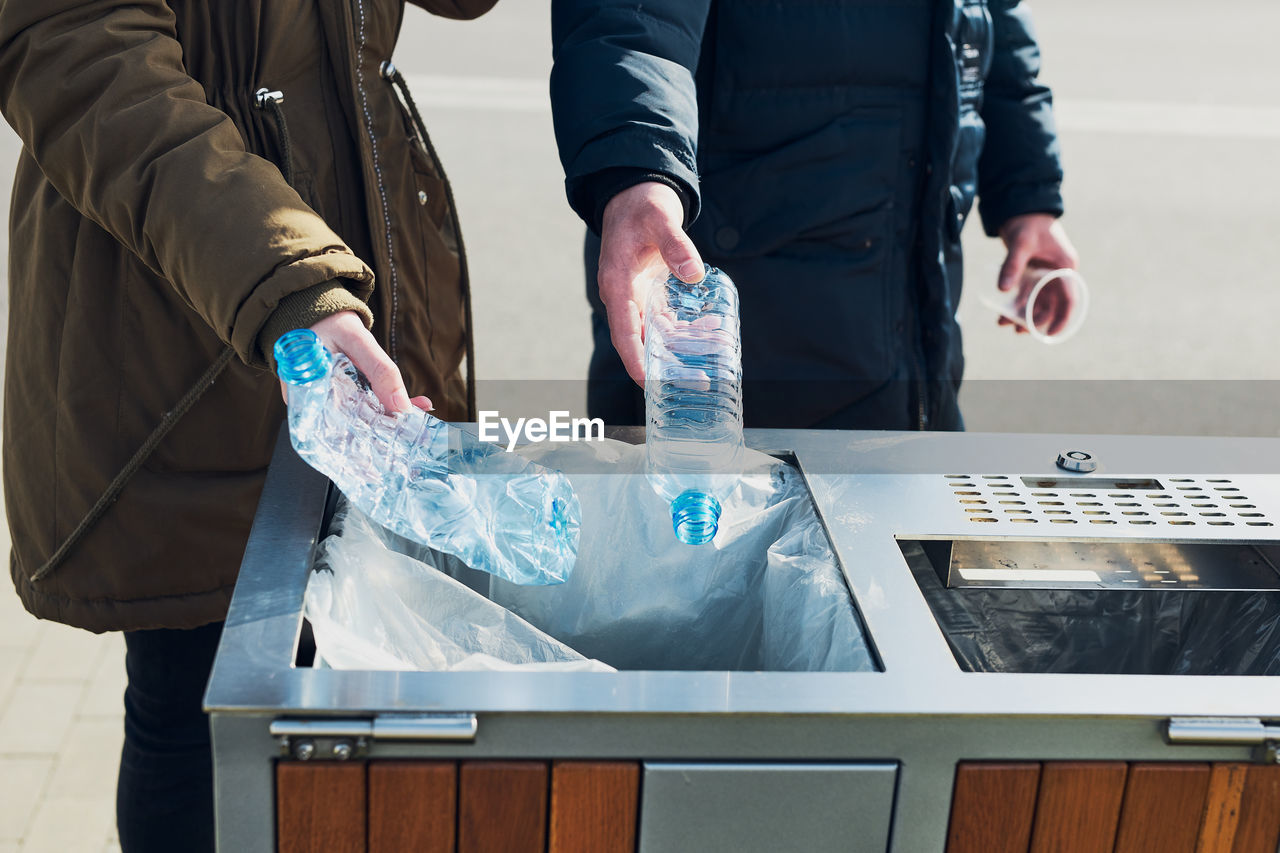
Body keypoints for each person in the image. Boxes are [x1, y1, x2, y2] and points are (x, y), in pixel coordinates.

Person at [0, 0, 496, 849]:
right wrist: (282, 278)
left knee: (352, 689)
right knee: (201, 700)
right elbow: (79, 54)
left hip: (352, 280)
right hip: (185, 301)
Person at [550, 0, 1080, 430]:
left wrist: (1026, 195)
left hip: (910, 302)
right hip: (739, 307)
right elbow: (636, 23)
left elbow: (990, 22)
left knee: (899, 527)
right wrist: (641, 169)